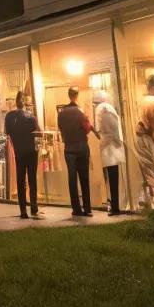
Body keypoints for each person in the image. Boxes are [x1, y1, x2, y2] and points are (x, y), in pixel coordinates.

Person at [56, 87, 97, 217]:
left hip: (69, 149)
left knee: (72, 179)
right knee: (84, 178)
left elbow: (60, 128)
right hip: (81, 147)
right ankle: (87, 208)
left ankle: (76, 208)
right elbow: (86, 129)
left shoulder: (61, 113)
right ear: (77, 95)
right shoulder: (80, 112)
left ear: (68, 95)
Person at [4, 91, 44, 220]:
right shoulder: (31, 116)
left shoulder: (9, 117)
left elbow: (7, 133)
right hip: (31, 151)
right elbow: (39, 132)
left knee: (20, 181)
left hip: (19, 152)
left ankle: (23, 211)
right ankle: (34, 209)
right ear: (24, 102)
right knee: (32, 180)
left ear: (15, 102)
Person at [93, 89, 128, 215]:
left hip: (108, 148)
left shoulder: (100, 110)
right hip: (115, 147)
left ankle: (114, 207)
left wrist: (98, 133)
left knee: (111, 179)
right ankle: (116, 205)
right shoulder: (110, 108)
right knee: (114, 178)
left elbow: (99, 128)